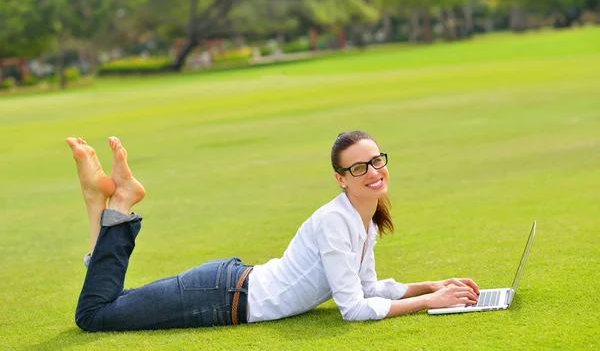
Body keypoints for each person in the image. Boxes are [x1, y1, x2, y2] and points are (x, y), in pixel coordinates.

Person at [67, 131, 480, 332]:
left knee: (109, 303)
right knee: (94, 315)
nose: (372, 172)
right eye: (359, 167)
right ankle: (119, 202)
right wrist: (430, 303)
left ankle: (97, 203)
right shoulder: (335, 220)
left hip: (230, 287)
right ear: (341, 178)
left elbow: (366, 288)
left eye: (376, 161)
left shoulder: (363, 218)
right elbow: (352, 309)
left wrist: (430, 287)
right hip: (222, 295)